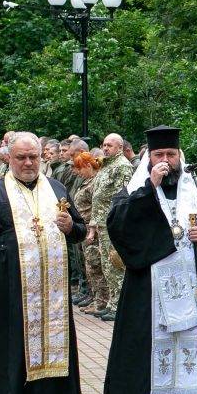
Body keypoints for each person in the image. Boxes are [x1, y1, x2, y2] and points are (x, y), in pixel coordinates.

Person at [103, 125, 197, 394]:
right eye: (158, 155)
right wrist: (150, 187)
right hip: (149, 285)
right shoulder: (136, 189)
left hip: (188, 283)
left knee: (185, 342)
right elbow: (118, 226)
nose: (165, 160)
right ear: (149, 158)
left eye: (170, 155)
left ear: (179, 156)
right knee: (150, 343)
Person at [0, 133, 86, 394]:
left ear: (41, 157)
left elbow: (81, 231)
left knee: (54, 347)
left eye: (33, 156)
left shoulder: (58, 189)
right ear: (9, 158)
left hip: (54, 290)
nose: (28, 162)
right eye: (21, 157)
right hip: (13, 287)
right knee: (12, 349)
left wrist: (72, 227)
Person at [90, 133, 133, 322]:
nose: (105, 148)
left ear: (120, 148)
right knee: (107, 266)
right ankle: (111, 303)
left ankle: (119, 306)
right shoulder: (107, 165)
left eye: (109, 145)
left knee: (115, 264)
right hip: (101, 222)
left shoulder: (123, 166)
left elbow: (122, 197)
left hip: (113, 223)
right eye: (104, 145)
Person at [71, 152, 109, 315]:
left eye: (80, 168)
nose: (78, 172)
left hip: (92, 230)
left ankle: (101, 301)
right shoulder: (87, 181)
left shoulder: (95, 182)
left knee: (95, 266)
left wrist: (92, 229)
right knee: (88, 266)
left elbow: (97, 206)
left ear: (88, 165)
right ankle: (95, 297)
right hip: (84, 228)